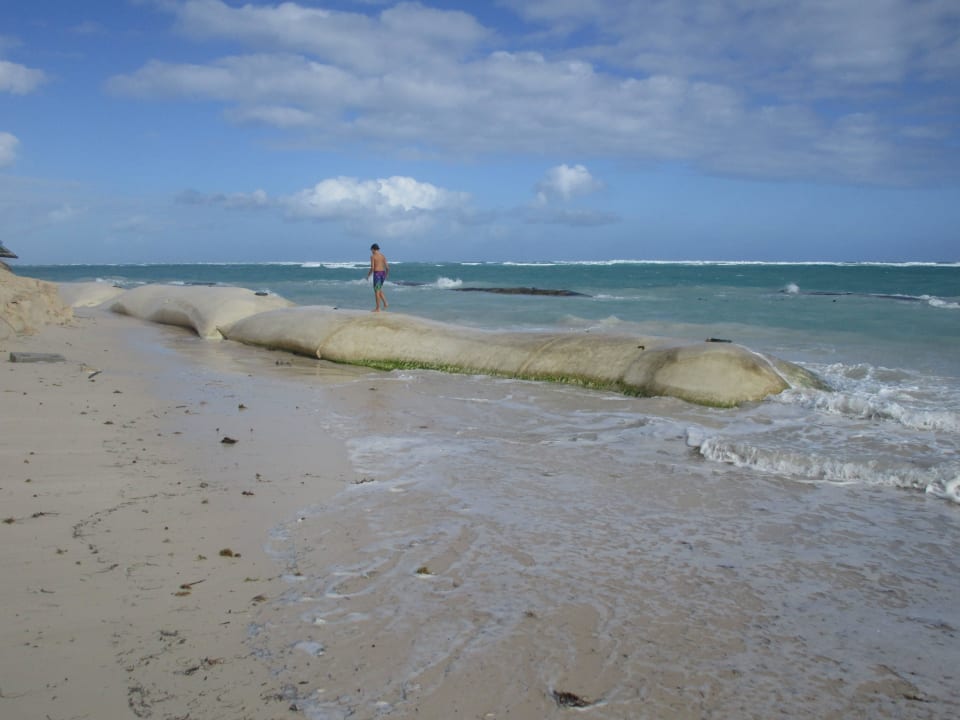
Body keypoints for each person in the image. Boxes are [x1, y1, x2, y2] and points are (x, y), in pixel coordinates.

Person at [366, 243, 389, 311]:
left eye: (371, 250)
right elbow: (387, 267)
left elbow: (372, 268)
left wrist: (368, 275)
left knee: (376, 291)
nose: (371, 251)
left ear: (373, 249)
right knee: (378, 289)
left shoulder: (373, 256)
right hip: (383, 274)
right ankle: (385, 303)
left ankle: (378, 308)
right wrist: (386, 275)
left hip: (377, 274)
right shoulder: (382, 256)